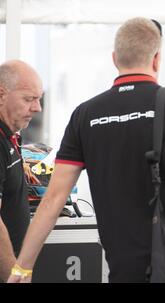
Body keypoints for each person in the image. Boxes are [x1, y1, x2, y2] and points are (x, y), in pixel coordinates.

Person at [8, 17, 165, 283]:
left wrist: (22, 268)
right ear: (157, 59)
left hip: (126, 268)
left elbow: (53, 200)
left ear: (115, 59)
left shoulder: (86, 116)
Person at [0, 60, 43, 282]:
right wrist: (14, 275)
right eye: (29, 99)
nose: (37, 108)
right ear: (1, 94)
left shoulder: (10, 134)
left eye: (38, 99)